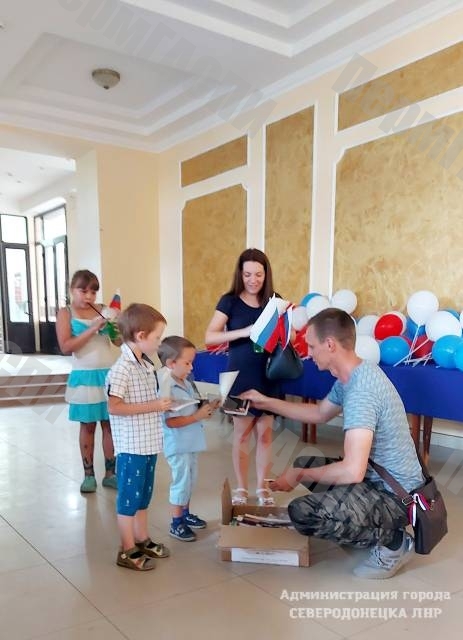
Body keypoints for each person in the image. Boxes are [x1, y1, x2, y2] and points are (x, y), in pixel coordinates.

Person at [242, 308, 424, 580]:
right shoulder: (352, 376)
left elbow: (352, 471)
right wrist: (266, 402)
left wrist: (298, 475)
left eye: (311, 346)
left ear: (330, 344)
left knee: (302, 512)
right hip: (378, 480)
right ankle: (362, 521)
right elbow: (319, 413)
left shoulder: (362, 390)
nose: (308, 353)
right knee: (306, 464)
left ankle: (394, 542)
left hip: (397, 497)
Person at [205, 248, 281, 507]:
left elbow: (288, 336)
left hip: (268, 375)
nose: (253, 280)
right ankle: (241, 487)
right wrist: (245, 331)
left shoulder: (275, 301)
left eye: (258, 274)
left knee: (265, 435)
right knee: (241, 435)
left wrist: (284, 331)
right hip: (238, 376)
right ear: (240, 274)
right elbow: (210, 336)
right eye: (247, 274)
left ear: (266, 274)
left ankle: (262, 487)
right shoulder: (229, 301)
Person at [106, 303, 172, 571]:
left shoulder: (145, 365)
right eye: (157, 337)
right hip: (132, 446)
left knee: (143, 496)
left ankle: (142, 539)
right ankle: (126, 548)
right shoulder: (121, 368)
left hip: (147, 444)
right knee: (129, 499)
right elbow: (114, 407)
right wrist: (153, 406)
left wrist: (162, 404)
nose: (159, 343)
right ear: (141, 336)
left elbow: (148, 399)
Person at [56, 269, 120, 493]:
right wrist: (93, 329)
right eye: (83, 291)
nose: (89, 296)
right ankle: (89, 475)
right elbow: (66, 347)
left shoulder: (104, 309)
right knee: (88, 425)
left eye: (93, 292)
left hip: (108, 373)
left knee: (110, 424)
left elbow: (118, 342)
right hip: (84, 376)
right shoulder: (65, 313)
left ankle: (111, 474)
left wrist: (115, 330)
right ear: (71, 290)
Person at [158, 336, 219, 542]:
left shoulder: (185, 382)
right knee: (181, 482)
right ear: (171, 363)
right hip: (178, 444)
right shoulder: (166, 387)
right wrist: (196, 416)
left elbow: (192, 407)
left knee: (190, 480)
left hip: (191, 442)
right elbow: (170, 422)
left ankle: (185, 513)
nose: (191, 367)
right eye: (187, 363)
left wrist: (208, 407)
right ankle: (176, 522)